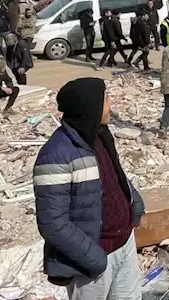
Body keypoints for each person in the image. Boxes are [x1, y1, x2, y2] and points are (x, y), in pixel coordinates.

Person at [33, 78, 146, 298]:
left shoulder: (101, 135)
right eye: (106, 99)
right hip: (93, 257)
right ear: (90, 105)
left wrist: (135, 208)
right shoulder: (56, 155)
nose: (111, 104)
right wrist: (94, 258)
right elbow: (52, 223)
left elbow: (116, 177)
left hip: (124, 243)